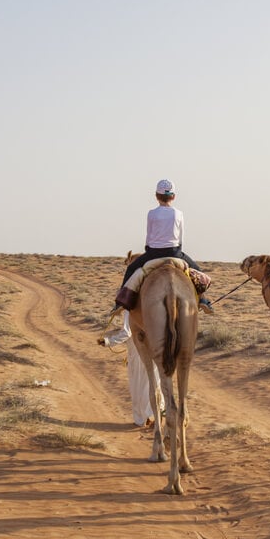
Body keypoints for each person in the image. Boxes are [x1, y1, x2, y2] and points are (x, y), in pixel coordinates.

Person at [114, 179, 209, 311]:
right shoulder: (179, 213)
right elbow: (181, 235)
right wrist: (178, 251)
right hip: (175, 252)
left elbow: (149, 235)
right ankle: (204, 299)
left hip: (154, 253)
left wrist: (148, 249)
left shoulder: (152, 214)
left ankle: (120, 303)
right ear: (173, 196)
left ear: (156, 196)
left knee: (131, 269)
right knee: (198, 271)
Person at [100, 310, 159, 427]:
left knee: (137, 387)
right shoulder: (153, 305)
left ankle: (141, 420)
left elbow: (127, 333)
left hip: (138, 354)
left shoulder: (131, 308)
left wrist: (108, 341)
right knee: (155, 384)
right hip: (156, 350)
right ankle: (157, 413)